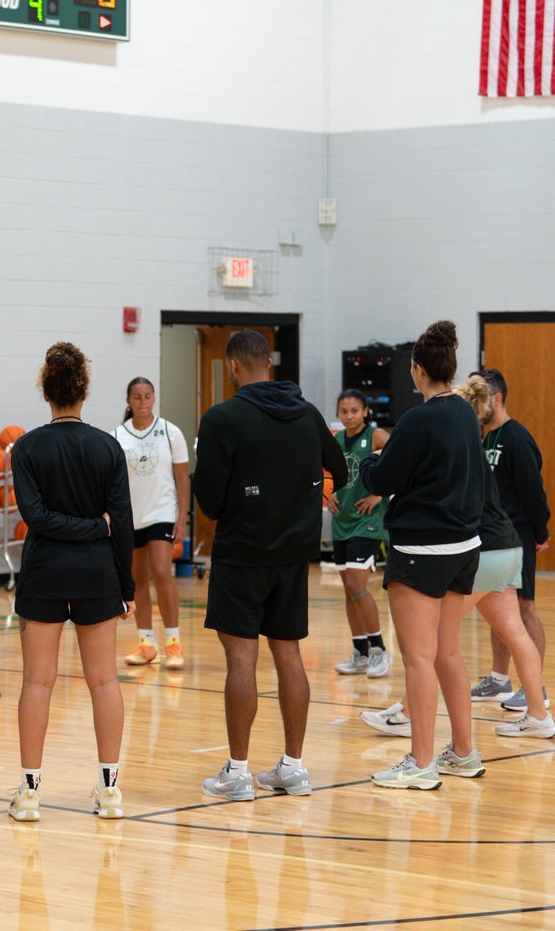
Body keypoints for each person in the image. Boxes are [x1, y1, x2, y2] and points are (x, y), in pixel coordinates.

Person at [193, 329, 346, 802]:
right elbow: (338, 469)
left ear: (235, 366)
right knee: (289, 655)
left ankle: (238, 773)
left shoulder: (223, 418)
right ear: (268, 364)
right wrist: (306, 496)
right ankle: (294, 768)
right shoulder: (306, 412)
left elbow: (212, 503)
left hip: (242, 555)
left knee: (241, 661)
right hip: (294, 556)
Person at [361, 374, 554, 741]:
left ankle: (406, 713)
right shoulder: (472, 443)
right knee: (513, 629)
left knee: (431, 638)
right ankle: (540, 714)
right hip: (508, 544)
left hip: (490, 548)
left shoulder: (464, 447)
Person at [7, 342, 135, 823]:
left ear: (47, 391)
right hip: (98, 572)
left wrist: (86, 529)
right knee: (104, 681)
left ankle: (30, 793)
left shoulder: (28, 447)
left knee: (37, 683)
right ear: (83, 389)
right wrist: (126, 584)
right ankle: (109, 792)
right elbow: (120, 522)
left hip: (44, 572)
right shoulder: (107, 445)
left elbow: (35, 518)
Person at [360, 321, 485, 790]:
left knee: (417, 657)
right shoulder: (464, 415)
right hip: (464, 547)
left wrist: (372, 459)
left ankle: (422, 761)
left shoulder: (418, 420)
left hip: (421, 550)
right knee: (447, 653)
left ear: (417, 370)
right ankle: (465, 752)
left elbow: (380, 479)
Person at [470, 367, 551, 712]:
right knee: (497, 610)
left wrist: (541, 532)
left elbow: (534, 492)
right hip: (491, 539)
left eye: (481, 398)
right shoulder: (483, 437)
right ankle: (499, 679)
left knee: (524, 609)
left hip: (518, 536)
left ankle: (536, 688)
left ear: (497, 398)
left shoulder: (517, 437)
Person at [112, 376, 189, 670]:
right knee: (137, 581)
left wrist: (181, 517)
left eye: (148, 396)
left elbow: (182, 479)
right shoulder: (117, 435)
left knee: (161, 571)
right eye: (137, 397)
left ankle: (173, 642)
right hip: (131, 517)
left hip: (162, 512)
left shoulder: (170, 432)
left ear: (154, 398)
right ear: (129, 401)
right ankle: (146, 643)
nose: (143, 402)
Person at [326, 389, 391, 678]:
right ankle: (360, 652)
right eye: (344, 411)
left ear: (365, 411)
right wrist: (326, 496)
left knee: (356, 582)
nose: (349, 415)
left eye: (354, 410)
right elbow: (322, 474)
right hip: (342, 520)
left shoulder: (376, 437)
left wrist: (380, 494)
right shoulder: (335, 440)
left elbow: (401, 461)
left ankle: (379, 649)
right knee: (349, 590)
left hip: (368, 520)